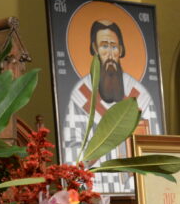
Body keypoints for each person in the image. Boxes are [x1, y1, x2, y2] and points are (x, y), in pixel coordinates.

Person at [62, 19, 161, 192]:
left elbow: (154, 148)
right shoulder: (81, 95)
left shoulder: (140, 95)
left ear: (121, 50)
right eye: (104, 46)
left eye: (114, 47)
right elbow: (72, 150)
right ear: (95, 49)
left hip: (136, 192)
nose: (109, 53)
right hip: (93, 191)